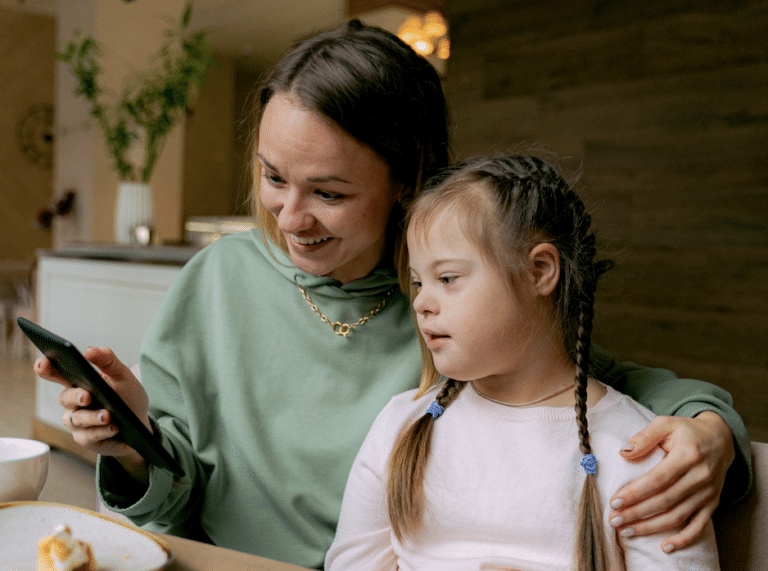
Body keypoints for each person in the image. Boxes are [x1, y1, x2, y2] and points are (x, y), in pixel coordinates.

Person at [35, 20, 749, 569]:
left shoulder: (464, 307)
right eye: (274, 177)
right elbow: (175, 494)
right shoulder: (217, 280)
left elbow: (596, 388)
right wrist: (135, 440)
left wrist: (713, 433)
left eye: (330, 193)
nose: (290, 217)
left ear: (407, 180)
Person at [325, 153, 721, 570]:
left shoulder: (634, 452)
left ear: (540, 271)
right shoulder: (400, 424)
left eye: (447, 279)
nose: (422, 302)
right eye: (419, 282)